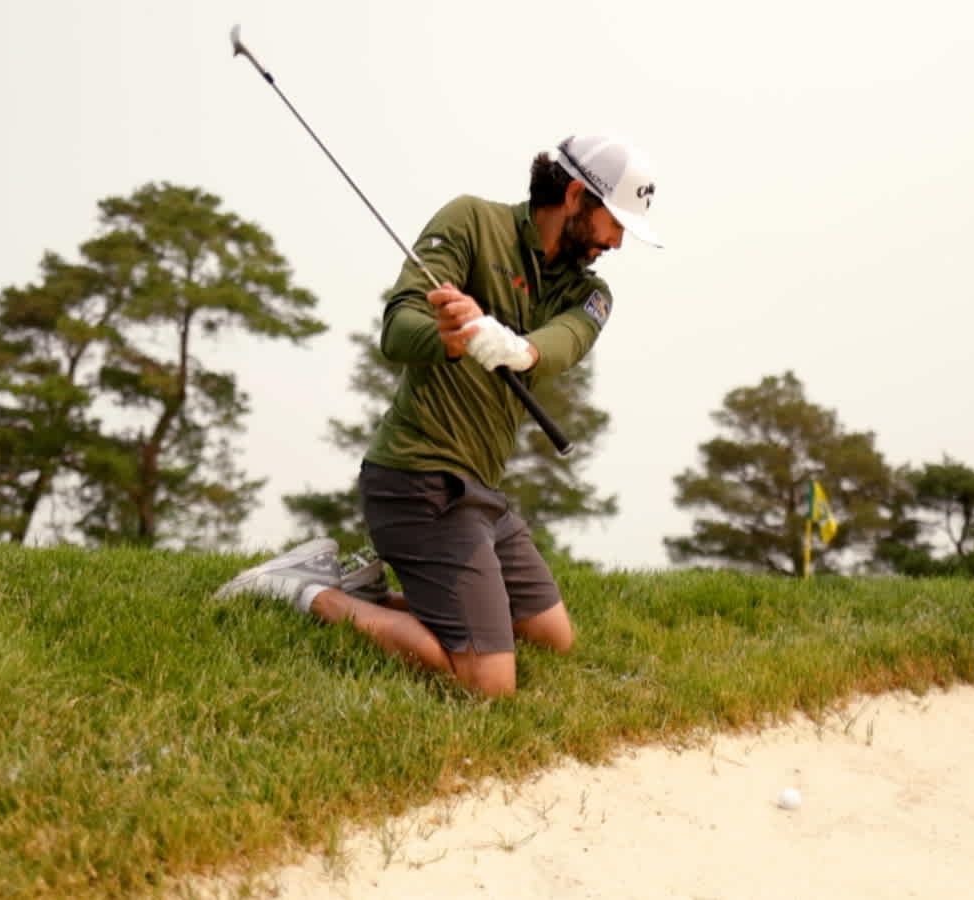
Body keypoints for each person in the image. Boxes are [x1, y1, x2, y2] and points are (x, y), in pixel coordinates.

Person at [216, 134, 660, 697]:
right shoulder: (472, 221)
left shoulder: (590, 291)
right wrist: (448, 339)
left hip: (479, 494)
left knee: (551, 636)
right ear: (575, 196)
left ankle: (362, 592)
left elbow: (566, 340)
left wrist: (514, 347)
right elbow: (398, 330)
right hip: (418, 483)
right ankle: (301, 591)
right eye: (614, 223)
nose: (617, 242)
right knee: (487, 682)